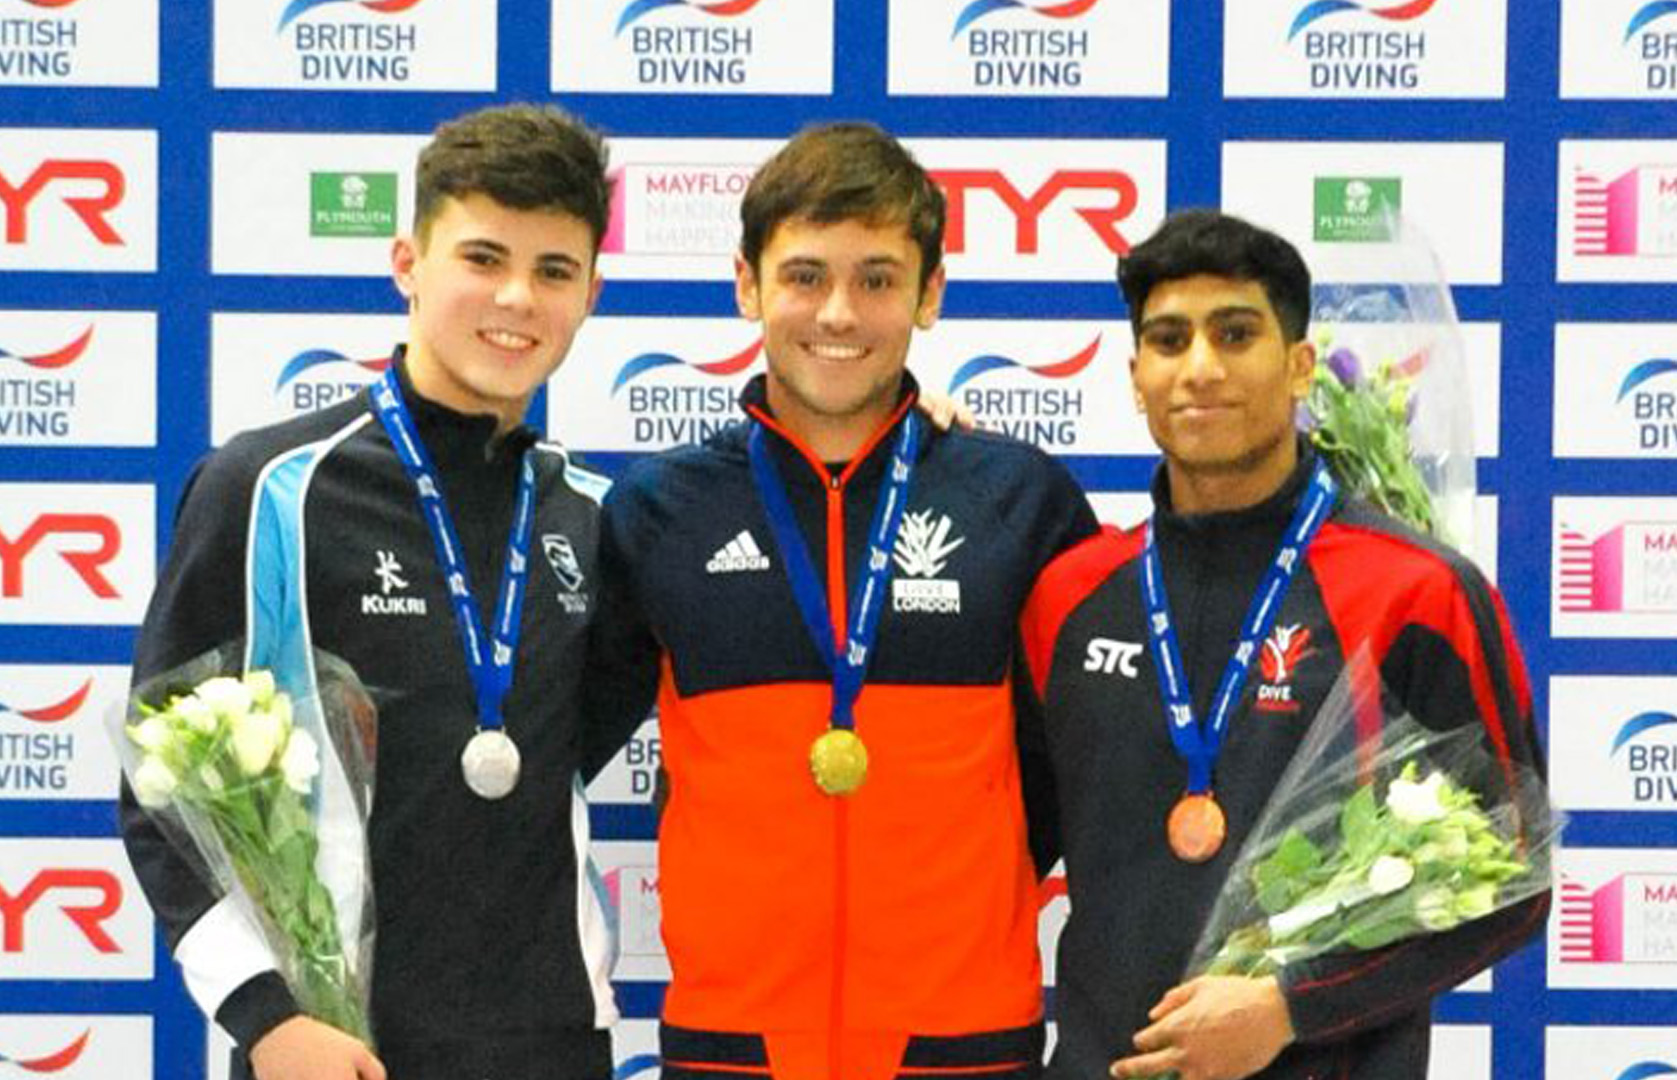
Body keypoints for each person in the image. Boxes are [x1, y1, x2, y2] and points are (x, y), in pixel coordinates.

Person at [121, 103, 628, 1080]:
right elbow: (162, 788)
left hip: (553, 1043)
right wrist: (269, 1020)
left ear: (591, 291)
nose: (517, 298)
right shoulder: (269, 487)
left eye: (554, 270)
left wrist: (917, 419)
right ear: (408, 264)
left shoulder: (594, 517)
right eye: (483, 258)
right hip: (335, 1043)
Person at [590, 122, 1098, 1080]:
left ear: (929, 294)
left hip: (963, 1042)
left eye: (876, 278)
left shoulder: (1019, 501)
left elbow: (1080, 766)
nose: (838, 312)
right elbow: (560, 747)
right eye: (805, 276)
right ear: (748, 285)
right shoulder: (657, 510)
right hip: (733, 1045)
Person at [1018, 209, 1549, 1080]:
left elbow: (1514, 871)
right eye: (1167, 339)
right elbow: (997, 846)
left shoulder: (1414, 590)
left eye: (1235, 334)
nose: (1200, 368)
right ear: (1134, 376)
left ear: (1300, 364)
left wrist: (1290, 1006)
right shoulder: (1070, 596)